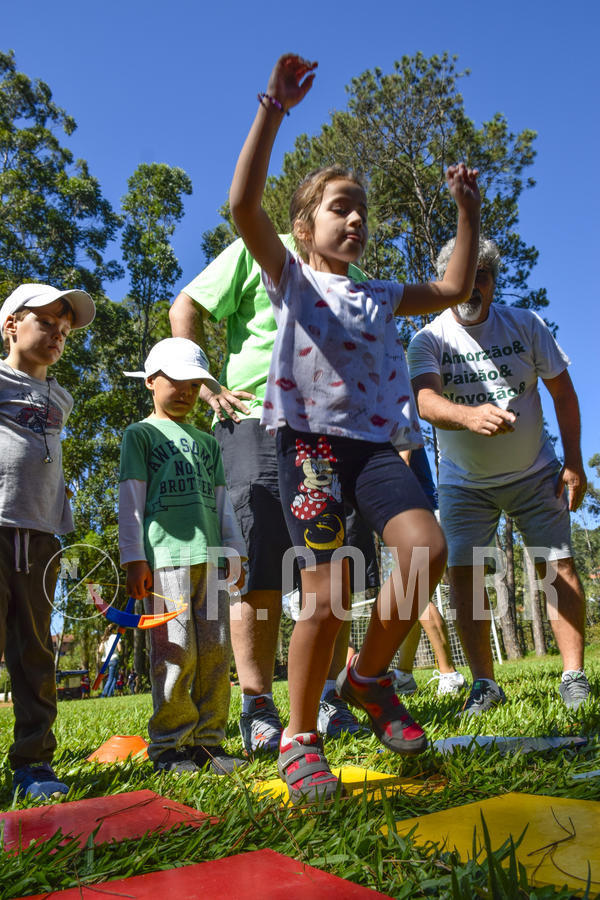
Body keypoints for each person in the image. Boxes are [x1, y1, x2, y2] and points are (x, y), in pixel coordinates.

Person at [228, 53, 480, 803]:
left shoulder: (380, 294)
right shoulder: (292, 278)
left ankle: (367, 679)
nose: (356, 219)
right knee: (329, 590)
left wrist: (467, 209)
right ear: (305, 226)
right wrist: (273, 107)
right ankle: (301, 738)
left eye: (362, 209)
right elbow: (243, 205)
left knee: (427, 548)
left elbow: (454, 286)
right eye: (340, 207)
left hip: (373, 450)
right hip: (308, 448)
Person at [170, 246, 379, 750]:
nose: (351, 221)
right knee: (256, 560)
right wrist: (205, 383)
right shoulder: (256, 249)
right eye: (338, 209)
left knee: (333, 564)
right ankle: (258, 705)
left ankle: (327, 697)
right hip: (255, 419)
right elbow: (186, 305)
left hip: (333, 427)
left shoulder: (354, 275)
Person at [408, 237, 590, 714]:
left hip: (535, 472)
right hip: (463, 482)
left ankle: (574, 676)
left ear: (492, 282)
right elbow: (425, 400)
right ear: (447, 281)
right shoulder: (428, 339)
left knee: (558, 566)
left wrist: (573, 461)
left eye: (482, 277)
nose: (472, 287)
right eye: (464, 277)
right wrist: (468, 416)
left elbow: (563, 394)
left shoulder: (526, 324)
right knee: (464, 576)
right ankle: (485, 684)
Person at [118, 337, 248, 774]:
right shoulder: (140, 435)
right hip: (165, 562)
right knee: (176, 651)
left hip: (210, 563)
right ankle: (170, 745)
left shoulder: (206, 442)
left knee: (216, 650)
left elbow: (222, 502)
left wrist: (235, 551)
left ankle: (209, 743)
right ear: (150, 381)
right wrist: (134, 557)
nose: (188, 392)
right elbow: (131, 500)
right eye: (177, 381)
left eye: (195, 385)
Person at [0, 282, 95, 799]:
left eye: (65, 330)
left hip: (42, 540)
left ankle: (33, 762)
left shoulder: (62, 398)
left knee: (37, 652)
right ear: (12, 325)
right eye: (46, 323)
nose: (58, 334)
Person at [393, 448, 466, 696]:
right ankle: (404, 675)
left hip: (419, 514)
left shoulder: (391, 425)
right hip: (412, 514)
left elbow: (400, 464)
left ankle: (449, 674)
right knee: (410, 600)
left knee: (415, 596)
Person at [99, 626, 119, 697]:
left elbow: (100, 650)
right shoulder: (116, 636)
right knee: (111, 679)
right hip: (113, 659)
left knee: (114, 677)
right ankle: (103, 694)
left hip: (106, 661)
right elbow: (120, 649)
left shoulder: (104, 638)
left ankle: (110, 694)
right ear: (113, 630)